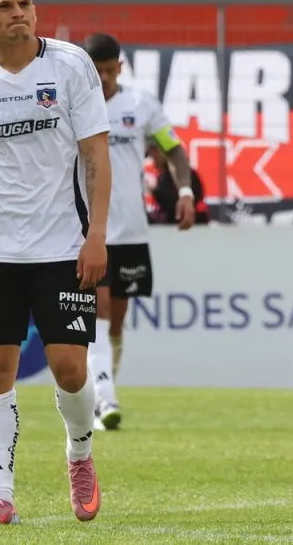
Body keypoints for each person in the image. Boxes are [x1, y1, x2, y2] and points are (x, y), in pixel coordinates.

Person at [0, 0, 112, 526]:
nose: (20, 12)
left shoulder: (70, 65)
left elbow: (97, 157)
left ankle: (80, 457)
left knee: (68, 369)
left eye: (27, 3)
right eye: (6, 6)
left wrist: (97, 236)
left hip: (63, 244)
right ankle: (0, 496)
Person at [82, 32, 196, 432]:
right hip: (88, 231)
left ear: (121, 68)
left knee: (117, 321)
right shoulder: (72, 105)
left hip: (131, 230)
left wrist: (184, 191)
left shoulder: (140, 104)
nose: (104, 78)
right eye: (96, 72)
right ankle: (106, 399)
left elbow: (173, 148)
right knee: (100, 309)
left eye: (110, 71)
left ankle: (103, 392)